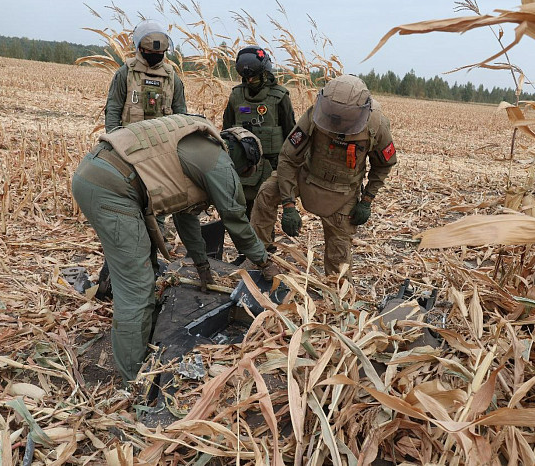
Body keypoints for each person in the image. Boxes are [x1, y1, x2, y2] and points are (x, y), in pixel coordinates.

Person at [72, 114, 279, 383]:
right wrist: (264, 261)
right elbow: (236, 219)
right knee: (137, 287)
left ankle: (139, 343)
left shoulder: (198, 145)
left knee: (146, 265)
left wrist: (202, 267)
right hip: (113, 187)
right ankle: (133, 379)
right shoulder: (220, 162)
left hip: (99, 173)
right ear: (245, 159)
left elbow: (186, 217)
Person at [250, 75, 396, 277]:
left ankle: (336, 294)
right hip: (307, 175)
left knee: (339, 257)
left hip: (343, 191)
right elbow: (288, 158)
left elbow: (384, 165)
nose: (337, 125)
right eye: (333, 117)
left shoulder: (375, 126)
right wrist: (288, 204)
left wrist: (367, 200)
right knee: (266, 193)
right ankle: (259, 257)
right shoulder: (316, 115)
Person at [222, 46, 295, 218]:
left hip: (271, 167)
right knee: (243, 210)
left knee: (265, 211)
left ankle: (265, 244)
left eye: (254, 76)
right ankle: (249, 244)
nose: (250, 81)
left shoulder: (280, 97)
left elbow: (291, 133)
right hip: (244, 167)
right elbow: (226, 130)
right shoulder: (236, 96)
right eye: (246, 77)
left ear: (265, 73)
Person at [104, 20, 187, 133]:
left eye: (159, 53)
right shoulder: (125, 73)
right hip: (129, 140)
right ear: (141, 49)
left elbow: (181, 115)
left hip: (163, 143)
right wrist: (113, 139)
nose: (155, 55)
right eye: (150, 51)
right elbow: (113, 109)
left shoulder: (171, 77)